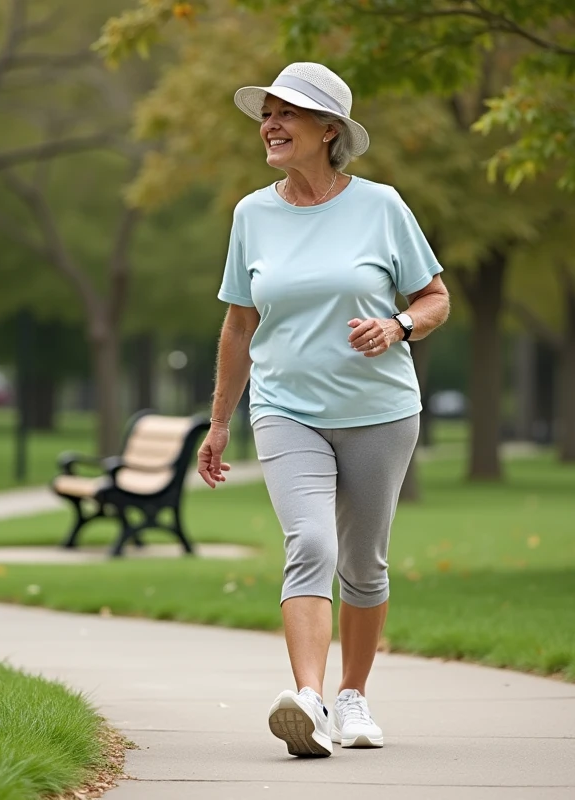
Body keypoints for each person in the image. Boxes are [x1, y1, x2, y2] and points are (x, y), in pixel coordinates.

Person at [197, 62, 451, 758]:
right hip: (286, 409)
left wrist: (398, 326)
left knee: (364, 564)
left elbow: (436, 298)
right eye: (266, 114)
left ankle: (352, 697)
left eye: (287, 114)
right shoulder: (253, 213)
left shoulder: (382, 206)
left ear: (328, 130)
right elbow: (239, 326)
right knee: (310, 543)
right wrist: (220, 422)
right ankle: (306, 700)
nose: (270, 126)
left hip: (379, 410)